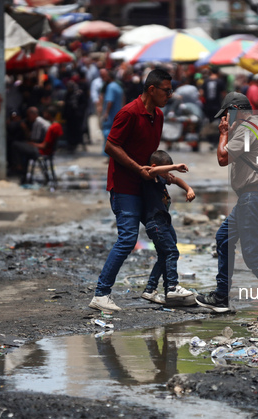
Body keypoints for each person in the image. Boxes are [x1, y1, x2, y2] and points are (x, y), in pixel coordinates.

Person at [195, 92, 258, 322]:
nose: (226, 120)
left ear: (236, 110)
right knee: (224, 238)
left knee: (252, 253)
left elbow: (223, 158)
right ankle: (221, 296)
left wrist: (223, 134)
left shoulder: (244, 130)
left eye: (227, 115)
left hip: (253, 198)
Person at [89, 69, 179, 313]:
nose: (170, 95)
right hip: (124, 186)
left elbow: (150, 152)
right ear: (152, 89)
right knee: (128, 238)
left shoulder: (158, 115)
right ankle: (101, 294)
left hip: (146, 186)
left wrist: (161, 172)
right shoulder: (129, 112)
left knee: (166, 239)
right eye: (166, 90)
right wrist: (137, 168)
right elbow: (110, 145)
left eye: (171, 90)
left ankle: (152, 289)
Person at [140, 150, 196, 304]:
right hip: (155, 223)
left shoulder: (162, 178)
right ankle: (172, 287)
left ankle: (151, 289)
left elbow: (177, 180)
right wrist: (174, 166)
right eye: (166, 170)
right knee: (172, 251)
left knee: (165, 255)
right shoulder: (151, 177)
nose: (168, 174)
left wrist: (189, 189)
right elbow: (152, 171)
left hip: (164, 221)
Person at [100, 69, 125, 156]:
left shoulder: (110, 87)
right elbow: (123, 99)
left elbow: (109, 101)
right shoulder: (118, 86)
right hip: (117, 114)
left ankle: (108, 154)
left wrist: (106, 113)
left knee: (107, 133)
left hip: (111, 115)